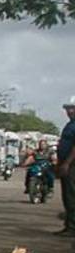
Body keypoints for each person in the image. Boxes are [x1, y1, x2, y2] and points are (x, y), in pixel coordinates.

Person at [57, 97, 75, 235]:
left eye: (72, 108)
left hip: (72, 165)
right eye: (68, 108)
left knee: (71, 195)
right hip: (65, 163)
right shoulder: (70, 124)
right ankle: (69, 225)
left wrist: (67, 163)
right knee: (67, 195)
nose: (69, 111)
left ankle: (72, 227)